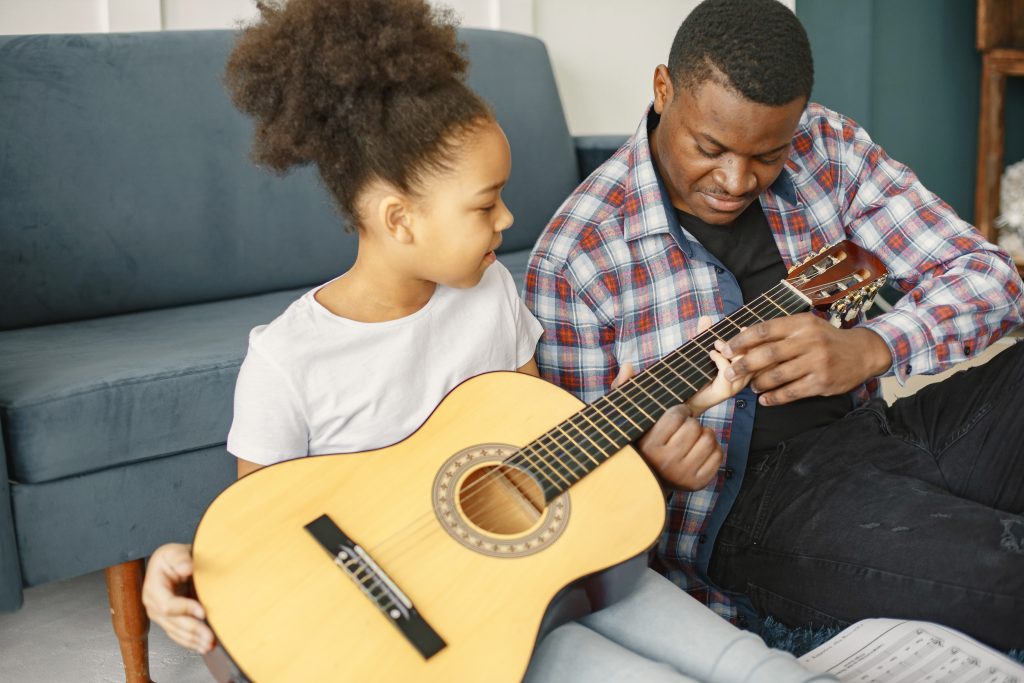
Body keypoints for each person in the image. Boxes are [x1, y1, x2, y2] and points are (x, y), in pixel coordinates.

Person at [142, 1, 833, 681]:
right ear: (399, 218)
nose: (508, 216)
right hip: (468, 630)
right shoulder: (288, 359)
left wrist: (670, 412)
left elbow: (541, 448)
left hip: (562, 562)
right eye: (485, 202)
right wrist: (179, 566)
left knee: (753, 662)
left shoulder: (493, 296)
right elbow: (260, 531)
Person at [524, 0, 1024, 652]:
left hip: (878, 429)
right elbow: (570, 507)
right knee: (1005, 573)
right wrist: (650, 470)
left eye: (768, 154)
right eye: (710, 148)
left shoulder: (828, 149)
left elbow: (992, 278)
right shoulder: (576, 260)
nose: (736, 180)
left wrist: (874, 344)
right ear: (662, 89)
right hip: (749, 514)